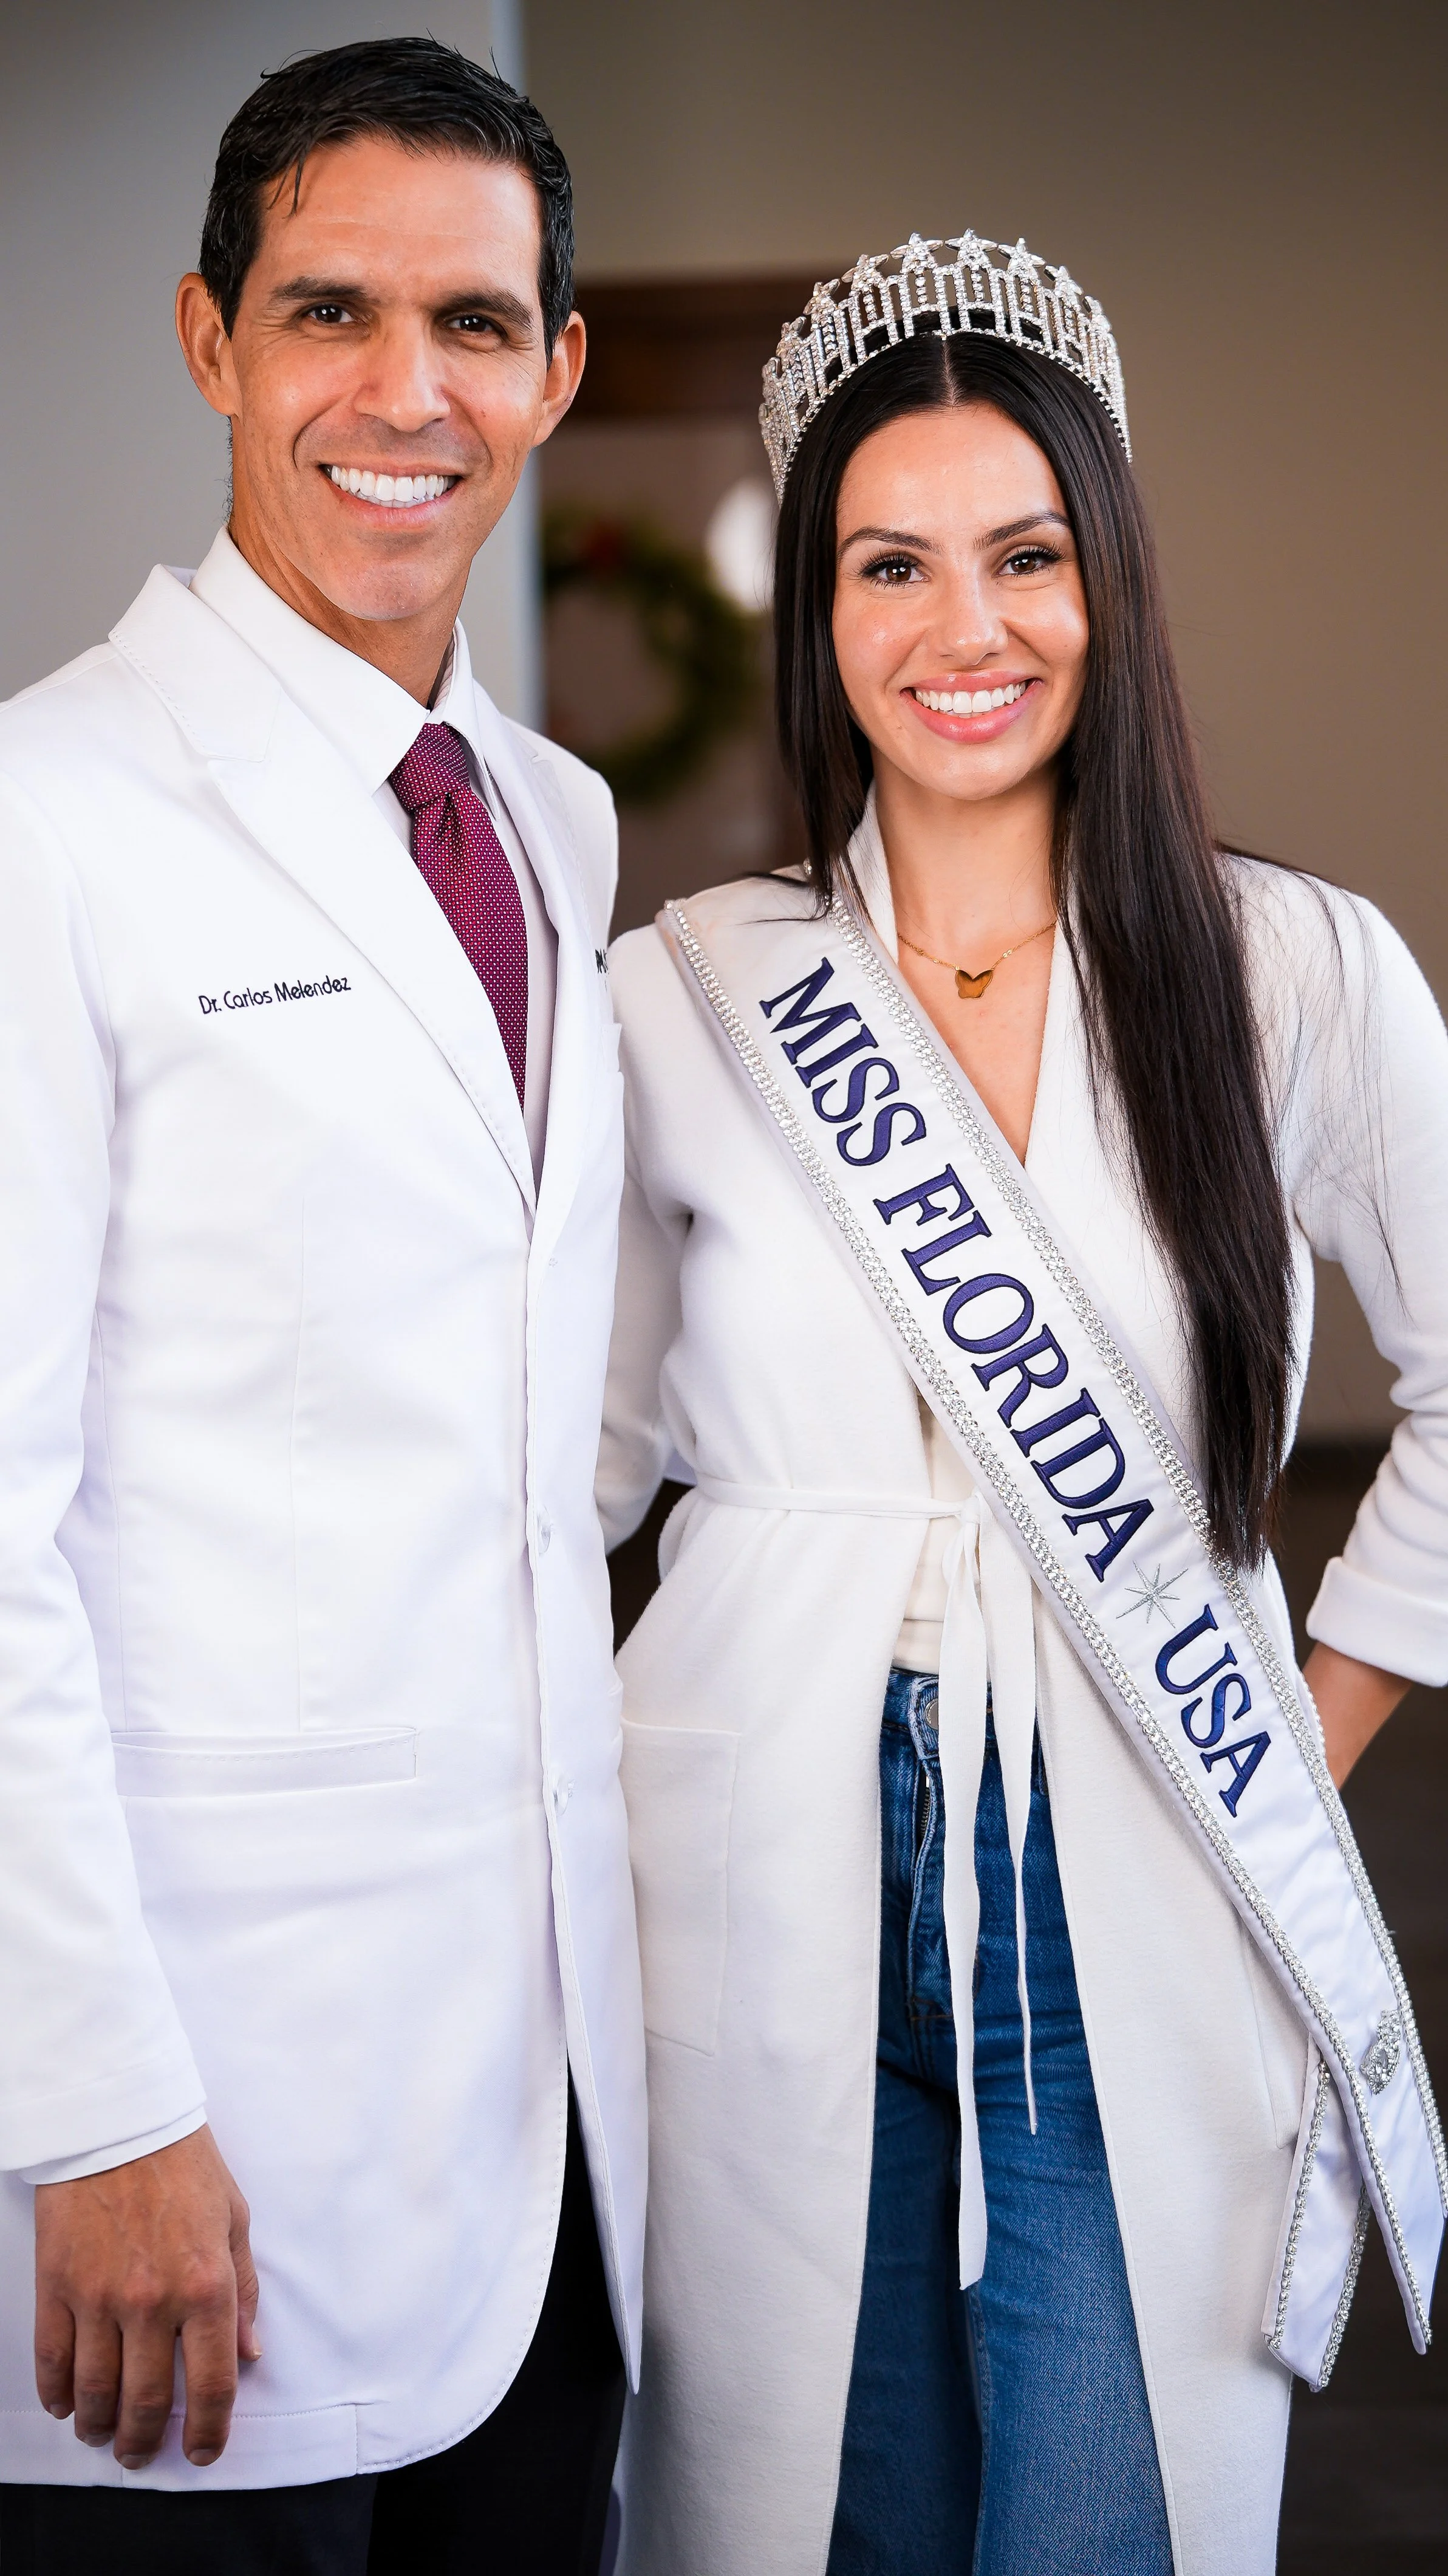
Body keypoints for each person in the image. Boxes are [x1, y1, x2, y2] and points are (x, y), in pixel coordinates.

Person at [598, 232, 1447, 2576]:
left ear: (1111, 580)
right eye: (891, 564)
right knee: (790, 2496)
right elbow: (564, 1485)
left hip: (1137, 1851)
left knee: (1113, 2500)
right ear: (816, 604)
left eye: (1025, 557)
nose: (962, 631)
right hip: (750, 1853)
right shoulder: (685, 1002)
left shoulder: (1297, 973)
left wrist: (1295, 1730)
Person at [0, 36, 644, 2574]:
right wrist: (80, 2093)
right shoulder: (39, 825)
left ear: (555, 371)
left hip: (551, 2107)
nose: (408, 394)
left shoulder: (555, 820)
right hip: (190, 2139)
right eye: (328, 314)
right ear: (206, 342)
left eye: (476, 325)